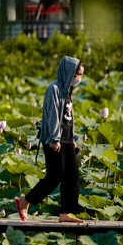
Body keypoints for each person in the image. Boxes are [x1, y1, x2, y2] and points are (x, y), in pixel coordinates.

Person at [15, 56, 85, 224]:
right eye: (78, 74)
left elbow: (68, 116)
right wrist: (54, 139)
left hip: (66, 140)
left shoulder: (67, 90)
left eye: (81, 75)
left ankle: (66, 213)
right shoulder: (53, 89)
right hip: (54, 139)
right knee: (55, 176)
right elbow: (53, 115)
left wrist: (72, 138)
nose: (79, 78)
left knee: (72, 176)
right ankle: (26, 200)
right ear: (69, 72)